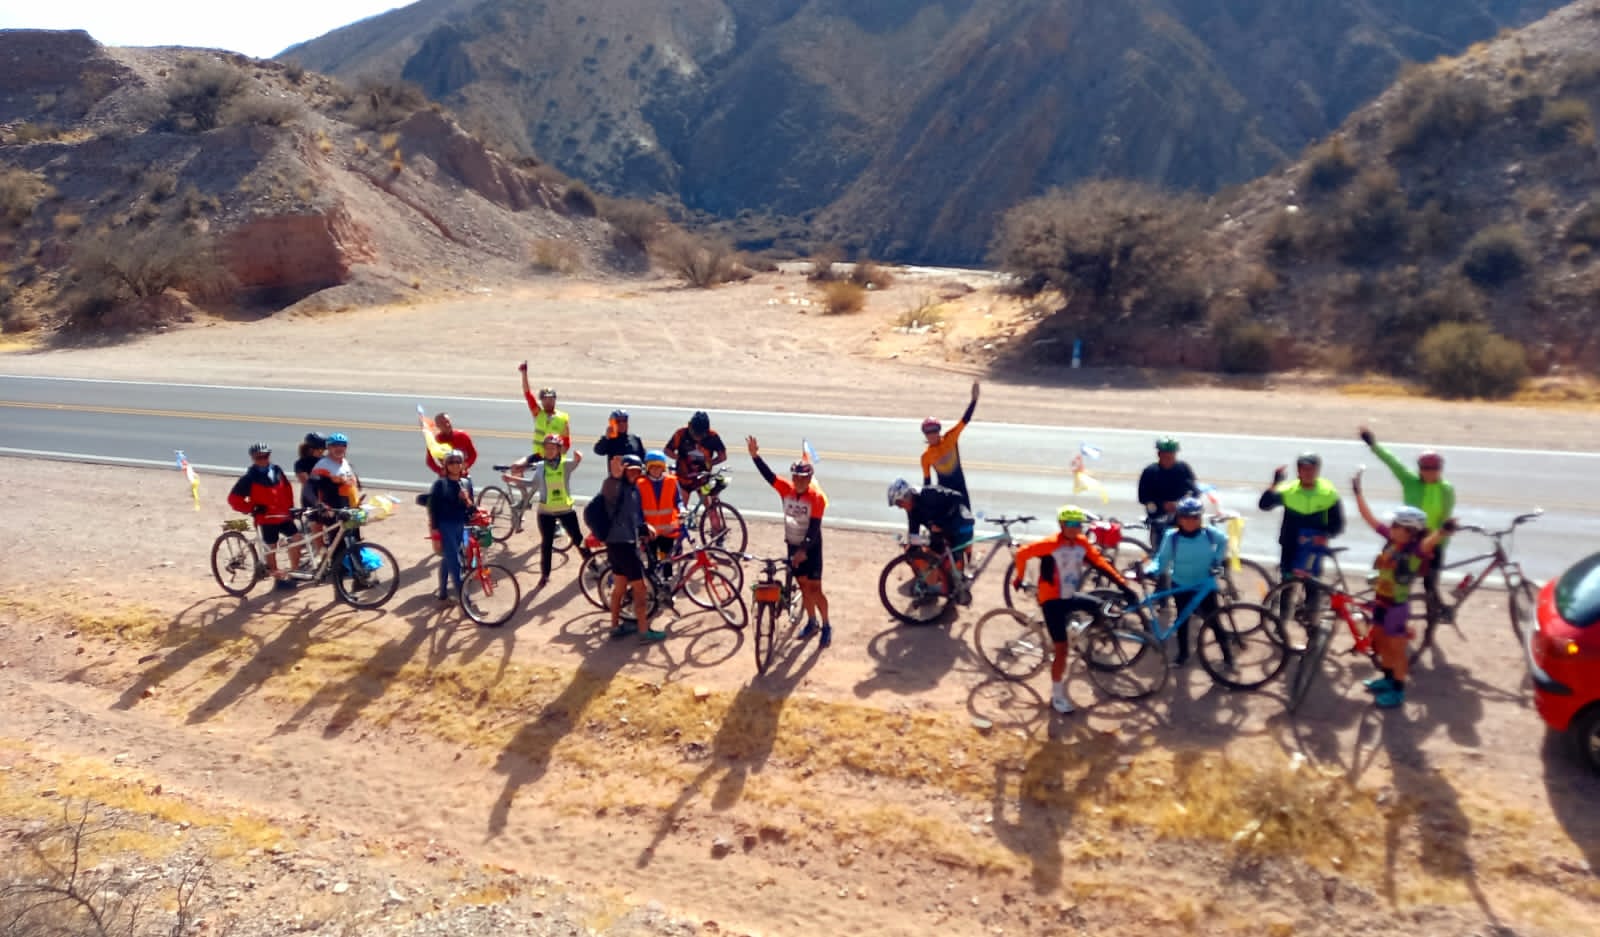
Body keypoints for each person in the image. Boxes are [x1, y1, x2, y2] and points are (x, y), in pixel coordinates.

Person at [1013, 504, 1136, 714]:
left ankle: (1079, 637)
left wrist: (1123, 585)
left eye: (1078, 524)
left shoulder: (1081, 543)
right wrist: (1019, 577)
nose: (1075, 528)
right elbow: (1022, 553)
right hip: (1051, 599)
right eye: (1070, 524)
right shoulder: (1050, 544)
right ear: (1061, 524)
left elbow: (1099, 563)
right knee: (1062, 651)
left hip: (1069, 595)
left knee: (1100, 607)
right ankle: (1057, 697)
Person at [1351, 470, 1453, 710]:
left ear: (1410, 531)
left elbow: (1429, 541)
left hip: (1396, 608)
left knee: (1397, 650)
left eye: (1397, 525)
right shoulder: (1393, 541)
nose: (1391, 527)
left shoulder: (1414, 551)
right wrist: (1358, 493)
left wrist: (1442, 532)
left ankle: (1397, 691)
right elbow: (1370, 519)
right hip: (1380, 603)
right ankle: (1386, 680)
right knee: (1382, 644)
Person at [1359, 426, 1456, 613]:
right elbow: (1392, 462)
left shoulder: (1446, 489)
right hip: (1403, 537)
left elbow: (1445, 519)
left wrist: (1439, 544)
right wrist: (1373, 444)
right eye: (1426, 468)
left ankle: (1431, 623)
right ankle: (1382, 607)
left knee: (1430, 585)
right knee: (1388, 573)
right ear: (1420, 469)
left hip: (1431, 542)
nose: (1430, 472)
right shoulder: (1409, 481)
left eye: (1435, 468)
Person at [747, 436, 832, 648]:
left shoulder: (816, 498)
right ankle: (811, 621)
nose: (798, 481)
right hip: (792, 544)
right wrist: (755, 456)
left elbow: (814, 528)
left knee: (815, 589)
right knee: (803, 586)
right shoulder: (786, 490)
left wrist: (803, 550)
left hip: (811, 548)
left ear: (810, 477)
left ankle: (827, 624)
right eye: (795, 477)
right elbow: (769, 476)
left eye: (803, 478)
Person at [1144, 496, 1229, 666]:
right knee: (1182, 620)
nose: (1190, 521)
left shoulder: (1211, 534)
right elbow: (1162, 560)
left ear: (1200, 517)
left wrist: (1216, 561)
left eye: (1195, 517)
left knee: (1214, 621)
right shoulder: (1172, 537)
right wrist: (1151, 571)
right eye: (1185, 517)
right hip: (1180, 584)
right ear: (1179, 518)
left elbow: (1224, 541)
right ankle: (1183, 656)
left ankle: (1228, 656)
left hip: (1205, 585)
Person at [597, 455, 662, 642]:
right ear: (624, 470)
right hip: (623, 545)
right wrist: (614, 477)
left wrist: (644, 526)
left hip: (618, 544)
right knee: (640, 588)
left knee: (619, 588)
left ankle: (615, 627)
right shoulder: (616, 487)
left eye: (638, 470)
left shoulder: (634, 489)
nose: (635, 473)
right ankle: (644, 632)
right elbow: (608, 491)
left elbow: (633, 516)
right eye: (631, 470)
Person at [506, 433, 586, 584]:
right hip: (546, 512)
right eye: (547, 448)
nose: (549, 450)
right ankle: (545, 575)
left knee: (578, 539)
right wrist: (513, 479)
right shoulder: (541, 467)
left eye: (553, 447)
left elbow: (576, 462)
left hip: (566, 509)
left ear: (558, 449)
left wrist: (578, 458)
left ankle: (591, 563)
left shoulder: (565, 465)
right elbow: (532, 483)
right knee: (547, 544)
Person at [228, 442, 302, 590]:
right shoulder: (248, 478)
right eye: (258, 457)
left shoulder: (277, 471)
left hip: (283, 515)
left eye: (265, 456)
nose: (262, 459)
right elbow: (233, 499)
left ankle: (294, 572)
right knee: (271, 548)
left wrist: (291, 508)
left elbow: (287, 490)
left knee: (297, 540)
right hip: (266, 518)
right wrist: (252, 508)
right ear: (253, 458)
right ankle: (277, 578)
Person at [1258, 451, 1344, 580]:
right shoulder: (1288, 491)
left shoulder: (1328, 492)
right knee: (1287, 589)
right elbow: (1264, 505)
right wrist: (1275, 484)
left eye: (1312, 469)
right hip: (1290, 545)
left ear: (1317, 470)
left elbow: (1337, 523)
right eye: (1304, 469)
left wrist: (1327, 535)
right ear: (1298, 471)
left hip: (1314, 547)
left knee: (1313, 589)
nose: (1308, 473)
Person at [887, 478, 975, 596]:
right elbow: (914, 530)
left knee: (952, 564)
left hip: (960, 526)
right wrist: (911, 547)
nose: (899, 507)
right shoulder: (911, 509)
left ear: (906, 496)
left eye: (898, 503)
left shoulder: (929, 493)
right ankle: (939, 585)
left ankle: (956, 585)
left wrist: (942, 522)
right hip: (940, 530)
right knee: (928, 554)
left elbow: (958, 497)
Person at [920, 380, 980, 508]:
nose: (932, 435)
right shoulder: (926, 457)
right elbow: (927, 483)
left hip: (961, 490)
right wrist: (926, 505)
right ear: (925, 434)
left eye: (934, 431)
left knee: (967, 524)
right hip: (944, 495)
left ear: (939, 431)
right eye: (928, 432)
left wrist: (974, 400)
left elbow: (965, 420)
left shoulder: (950, 438)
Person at [428, 449, 476, 602]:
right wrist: (435, 528)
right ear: (446, 465)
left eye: (458, 462)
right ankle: (464, 598)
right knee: (454, 560)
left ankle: (442, 591)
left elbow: (472, 508)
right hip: (446, 525)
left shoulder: (466, 483)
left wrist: (467, 500)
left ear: (462, 465)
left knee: (449, 557)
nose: (455, 465)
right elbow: (433, 507)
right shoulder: (440, 484)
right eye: (451, 462)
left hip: (461, 525)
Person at [1137, 437, 1200, 550]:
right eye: (1165, 454)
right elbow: (1143, 497)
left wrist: (1180, 504)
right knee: (1160, 551)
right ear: (1159, 454)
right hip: (1159, 517)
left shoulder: (1183, 469)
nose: (1168, 457)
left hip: (1181, 517)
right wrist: (1162, 505)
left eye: (1171, 454)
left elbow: (1195, 492)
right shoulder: (1150, 472)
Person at [637, 449, 683, 575]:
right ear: (647, 468)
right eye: (652, 467)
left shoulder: (671, 481)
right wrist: (642, 524)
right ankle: (654, 588)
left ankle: (666, 584)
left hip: (667, 531)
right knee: (652, 561)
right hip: (650, 533)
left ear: (663, 468)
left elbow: (678, 500)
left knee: (666, 559)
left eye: (659, 467)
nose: (656, 470)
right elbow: (637, 507)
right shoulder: (640, 484)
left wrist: (682, 509)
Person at [665, 411, 727, 484]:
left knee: (710, 494)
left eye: (701, 434)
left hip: (703, 476)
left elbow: (723, 456)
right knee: (682, 495)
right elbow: (667, 450)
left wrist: (710, 463)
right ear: (689, 425)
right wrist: (680, 458)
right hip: (684, 477)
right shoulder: (680, 434)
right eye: (695, 433)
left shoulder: (713, 436)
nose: (697, 437)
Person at [520, 362, 570, 451]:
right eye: (545, 399)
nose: (548, 402)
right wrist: (524, 373)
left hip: (553, 459)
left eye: (551, 399)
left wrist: (556, 457)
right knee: (517, 465)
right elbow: (528, 395)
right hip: (537, 456)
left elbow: (566, 443)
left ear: (555, 399)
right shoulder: (538, 414)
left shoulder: (563, 418)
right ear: (541, 401)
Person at [310, 432, 361, 512]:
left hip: (349, 507)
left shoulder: (345, 462)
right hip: (333, 508)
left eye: (343, 445)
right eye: (335, 445)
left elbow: (352, 483)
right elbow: (312, 488)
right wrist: (320, 505)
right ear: (329, 447)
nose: (339, 448)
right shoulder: (322, 465)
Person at [293, 433, 326, 510]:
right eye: (320, 448)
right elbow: (307, 483)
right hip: (310, 499)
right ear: (311, 448)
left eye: (324, 449)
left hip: (326, 498)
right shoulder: (301, 463)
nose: (322, 451)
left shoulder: (325, 460)